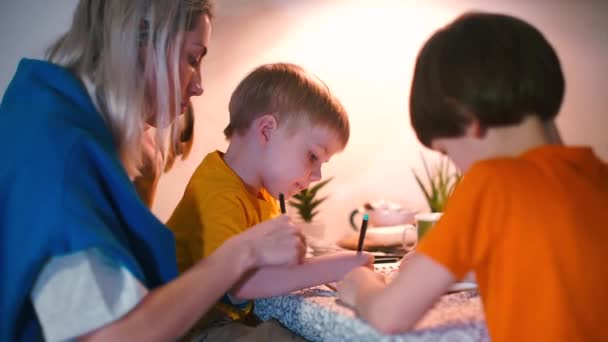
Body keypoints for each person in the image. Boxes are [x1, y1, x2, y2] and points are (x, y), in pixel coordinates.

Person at [0, 1, 306, 341]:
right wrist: (243, 251)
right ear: (140, 40)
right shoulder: (60, 157)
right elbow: (113, 336)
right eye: (192, 59)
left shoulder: (40, 107)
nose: (199, 85)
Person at [337, 12, 608, 342]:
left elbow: (389, 314)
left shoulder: (492, 182)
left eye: (447, 153)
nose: (457, 169)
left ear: (467, 118)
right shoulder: (598, 177)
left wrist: (360, 286)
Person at [166, 63, 372, 327]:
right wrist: (337, 267)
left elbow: (272, 269)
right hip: (194, 329)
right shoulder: (219, 191)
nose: (317, 175)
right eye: (313, 156)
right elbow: (239, 283)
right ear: (266, 131)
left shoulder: (262, 193)